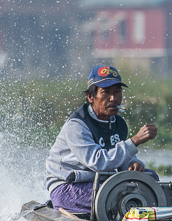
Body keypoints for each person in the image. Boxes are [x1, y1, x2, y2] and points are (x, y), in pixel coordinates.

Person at [45, 65, 158, 213]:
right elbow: (99, 162)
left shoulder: (119, 124)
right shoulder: (77, 125)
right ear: (91, 97)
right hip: (67, 186)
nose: (113, 98)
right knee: (118, 197)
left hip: (101, 182)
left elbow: (120, 158)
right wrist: (135, 141)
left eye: (117, 92)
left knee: (150, 180)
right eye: (106, 93)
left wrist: (133, 164)